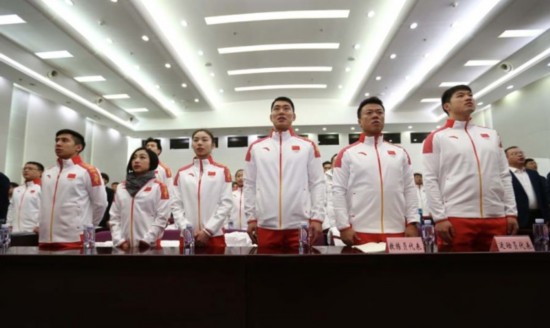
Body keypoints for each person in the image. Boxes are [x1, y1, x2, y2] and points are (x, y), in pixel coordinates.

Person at [423, 85, 518, 252]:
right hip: (456, 217)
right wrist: (439, 218)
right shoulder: (436, 137)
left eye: (470, 95)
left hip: (496, 215)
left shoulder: (492, 135)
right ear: (447, 106)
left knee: (497, 274)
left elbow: (504, 176)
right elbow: (430, 179)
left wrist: (511, 213)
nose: (468, 98)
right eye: (460, 96)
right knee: (457, 274)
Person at [333, 97, 419, 246]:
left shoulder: (400, 152)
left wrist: (412, 222)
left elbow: (409, 189)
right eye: (369, 112)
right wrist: (343, 226)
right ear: (359, 121)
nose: (375, 115)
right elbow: (338, 191)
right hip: (360, 230)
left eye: (379, 112)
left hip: (397, 228)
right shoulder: (347, 153)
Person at [244, 96, 325, 248]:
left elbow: (318, 183)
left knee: (299, 271)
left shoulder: (307, 146)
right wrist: (251, 218)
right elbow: (249, 185)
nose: (281, 112)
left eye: (286, 108)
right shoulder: (256, 147)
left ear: (293, 116)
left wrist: (317, 218)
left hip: (300, 225)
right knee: (266, 271)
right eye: (277, 108)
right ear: (271, 117)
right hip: (266, 225)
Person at [38, 129, 108, 249]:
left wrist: (86, 227)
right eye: (57, 140)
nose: (58, 143)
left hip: (74, 238)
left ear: (78, 147)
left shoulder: (89, 171)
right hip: (45, 238)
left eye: (65, 140)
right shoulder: (48, 172)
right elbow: (42, 203)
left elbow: (100, 203)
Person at [172, 129, 233, 248]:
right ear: (192, 145)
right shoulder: (182, 173)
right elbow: (176, 204)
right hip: (187, 235)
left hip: (214, 235)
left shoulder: (222, 171)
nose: (199, 143)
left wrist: (208, 230)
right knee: (186, 267)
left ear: (213, 145)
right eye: (196, 140)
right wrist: (185, 229)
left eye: (204, 140)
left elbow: (226, 203)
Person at [109, 147, 170, 250]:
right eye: (134, 158)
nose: (137, 160)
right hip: (124, 247)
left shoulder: (159, 187)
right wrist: (119, 241)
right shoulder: (121, 187)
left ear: (152, 162)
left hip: (150, 246)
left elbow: (162, 217)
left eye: (142, 157)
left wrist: (147, 240)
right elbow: (114, 217)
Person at [505, 146, 549, 234]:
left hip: (538, 217)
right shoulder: (504, 175)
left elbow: (543, 196)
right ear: (505, 158)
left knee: (540, 244)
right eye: (514, 154)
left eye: (521, 153)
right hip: (518, 218)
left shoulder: (533, 173)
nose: (520, 155)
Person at [6, 161, 44, 233]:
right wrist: (9, 223)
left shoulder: (43, 188)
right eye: (24, 168)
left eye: (30, 168)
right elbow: (11, 207)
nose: (26, 170)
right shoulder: (17, 189)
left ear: (40, 172)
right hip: (15, 229)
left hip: (34, 229)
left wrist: (39, 225)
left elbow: (46, 209)